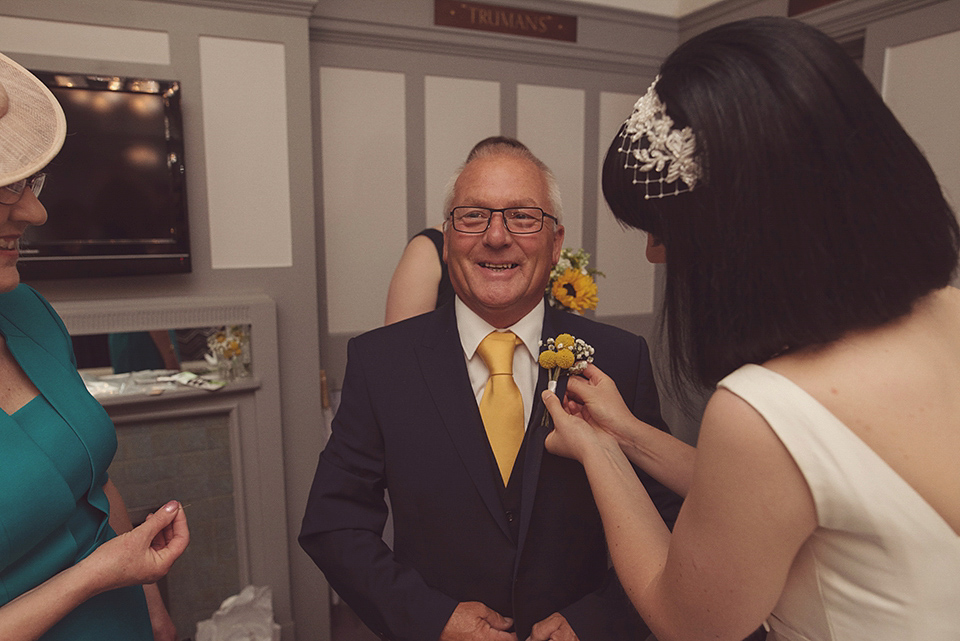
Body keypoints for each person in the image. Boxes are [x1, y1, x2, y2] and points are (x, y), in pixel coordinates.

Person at [541, 16, 960, 641]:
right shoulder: (947, 309)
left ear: (743, 234)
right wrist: (628, 432)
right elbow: (777, 494)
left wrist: (598, 451)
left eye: (665, 229)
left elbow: (686, 620)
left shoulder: (761, 409)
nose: (656, 254)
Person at [301, 140, 681, 640]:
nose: (496, 236)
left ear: (556, 241)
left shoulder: (617, 358)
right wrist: (431, 618)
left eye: (523, 217)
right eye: (473, 216)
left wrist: (596, 621)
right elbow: (334, 523)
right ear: (446, 238)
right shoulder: (381, 362)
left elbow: (669, 519)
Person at [0, 51, 189, 640]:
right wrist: (94, 575)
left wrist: (151, 606)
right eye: (6, 192)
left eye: (31, 183)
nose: (35, 210)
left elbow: (97, 482)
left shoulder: (26, 311)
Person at [384, 137, 531, 325]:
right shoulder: (427, 250)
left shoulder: (533, 249)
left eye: (519, 214)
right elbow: (401, 343)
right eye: (477, 212)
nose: (497, 237)